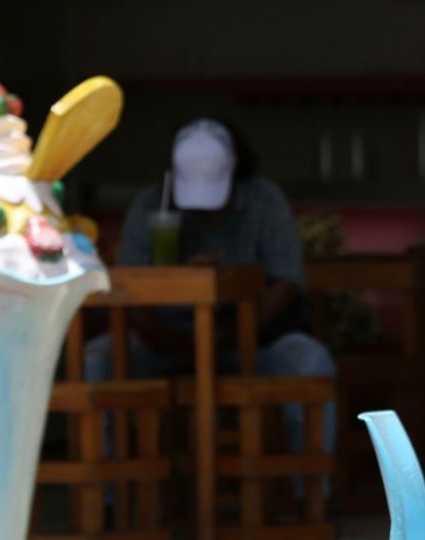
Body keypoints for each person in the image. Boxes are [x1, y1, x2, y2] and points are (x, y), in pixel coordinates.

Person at [84, 117, 336, 494]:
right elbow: (126, 287)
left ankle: (313, 496)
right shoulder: (152, 203)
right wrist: (168, 338)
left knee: (310, 361)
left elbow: (286, 282)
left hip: (250, 340)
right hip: (161, 341)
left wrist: (234, 336)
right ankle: (105, 500)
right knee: (95, 361)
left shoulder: (264, 200)